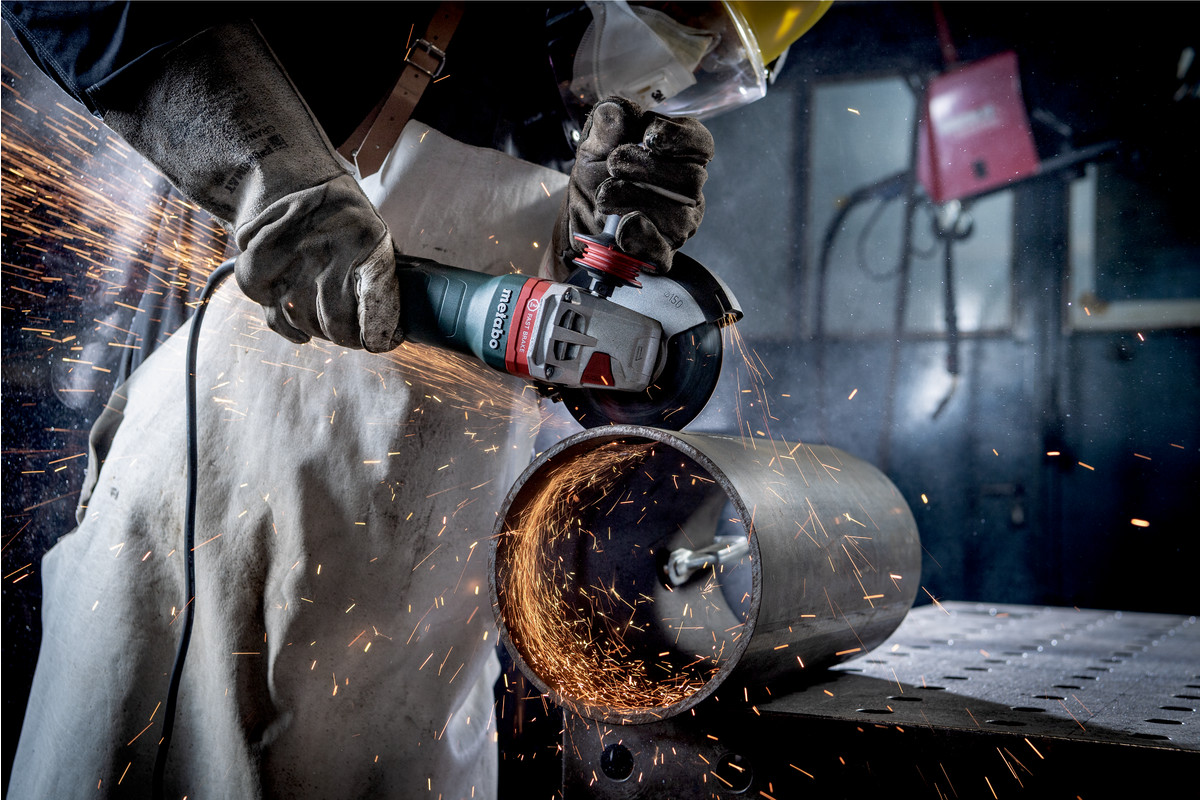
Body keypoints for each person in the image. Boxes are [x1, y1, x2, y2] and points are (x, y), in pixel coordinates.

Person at [2, 2, 829, 796]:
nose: (679, 55)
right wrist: (268, 171)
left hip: (435, 561)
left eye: (713, 55)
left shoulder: (560, 89)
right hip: (246, 450)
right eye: (683, 15)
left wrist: (589, 242)